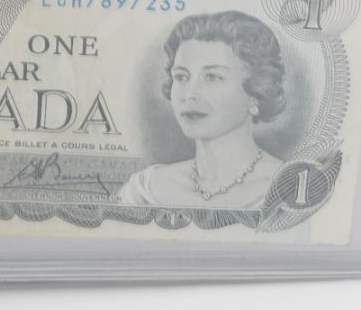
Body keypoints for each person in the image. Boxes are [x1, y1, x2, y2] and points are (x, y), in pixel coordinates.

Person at [117, 11, 289, 210]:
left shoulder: (289, 190)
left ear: (257, 91)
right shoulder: (144, 189)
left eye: (212, 77)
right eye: (181, 77)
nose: (190, 94)